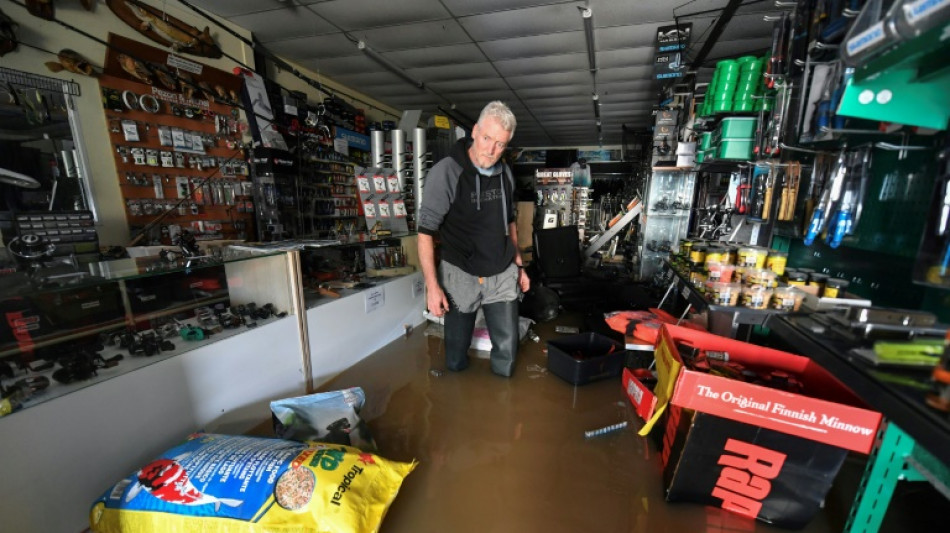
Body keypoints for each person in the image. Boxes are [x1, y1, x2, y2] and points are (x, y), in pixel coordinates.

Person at [417, 101, 530, 377]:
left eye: (500, 144)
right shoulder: (446, 172)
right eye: (487, 138)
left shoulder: (505, 174)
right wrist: (432, 287)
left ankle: (503, 412)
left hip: (500, 270)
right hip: (460, 272)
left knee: (507, 353)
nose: (491, 150)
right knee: (455, 358)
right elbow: (424, 234)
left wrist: (519, 265)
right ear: (475, 131)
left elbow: (510, 222)